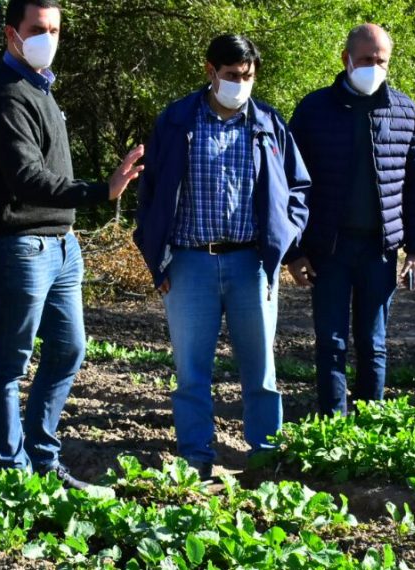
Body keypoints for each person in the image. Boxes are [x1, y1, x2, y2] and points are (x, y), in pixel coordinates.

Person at [0, 0, 144, 488]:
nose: (49, 37)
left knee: (68, 349)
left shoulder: (37, 87)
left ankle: (42, 459)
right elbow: (25, 179)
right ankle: (13, 474)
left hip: (60, 245)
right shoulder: (5, 94)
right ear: (11, 34)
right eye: (38, 29)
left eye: (56, 28)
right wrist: (99, 191)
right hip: (17, 245)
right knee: (10, 361)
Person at [133, 34, 309, 479]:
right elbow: (149, 194)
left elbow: (298, 190)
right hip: (189, 263)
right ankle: (197, 459)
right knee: (192, 371)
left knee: (261, 370)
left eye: (248, 76)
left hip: (251, 264)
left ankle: (265, 457)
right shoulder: (176, 122)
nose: (240, 83)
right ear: (210, 71)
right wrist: (159, 260)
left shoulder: (269, 124)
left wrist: (284, 242)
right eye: (231, 75)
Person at [286, 24, 415, 416]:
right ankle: (333, 419)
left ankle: (371, 420)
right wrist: (294, 251)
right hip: (327, 249)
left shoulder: (405, 110)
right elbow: (287, 185)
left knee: (374, 341)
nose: (374, 66)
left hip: (379, 249)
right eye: (366, 59)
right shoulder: (313, 109)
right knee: (330, 340)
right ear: (346, 59)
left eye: (381, 61)